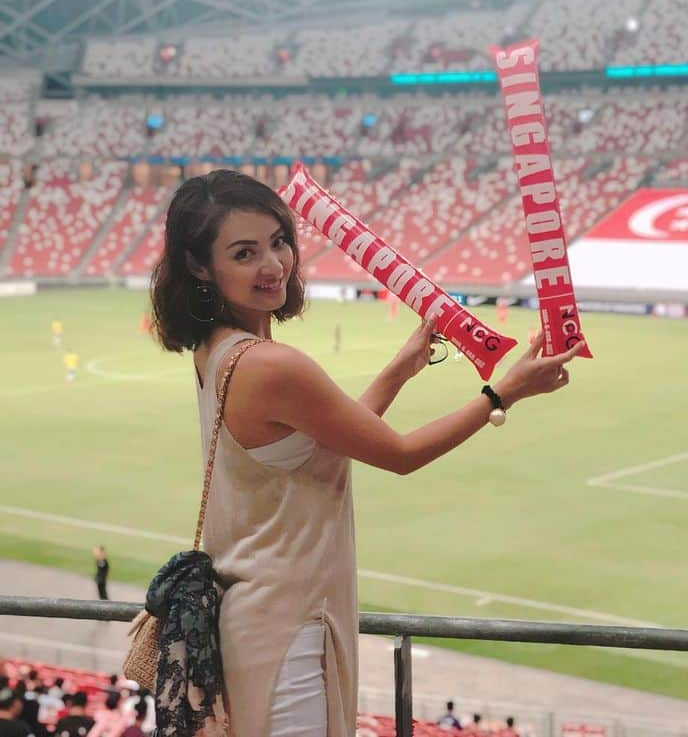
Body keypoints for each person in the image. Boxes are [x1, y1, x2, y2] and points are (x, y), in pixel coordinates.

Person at [149, 170, 582, 737]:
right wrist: (506, 392)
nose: (273, 265)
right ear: (201, 266)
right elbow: (400, 455)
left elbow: (328, 437)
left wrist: (404, 366)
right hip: (289, 631)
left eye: (279, 241)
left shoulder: (218, 352)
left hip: (258, 620)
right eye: (245, 252)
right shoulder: (269, 365)